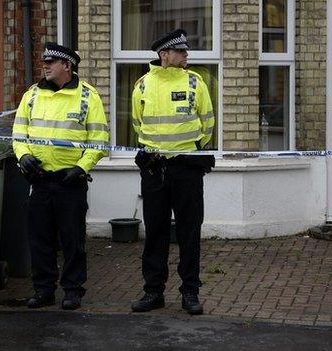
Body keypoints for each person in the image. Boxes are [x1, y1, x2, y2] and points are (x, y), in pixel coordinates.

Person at [12, 42, 109, 310]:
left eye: (51, 62)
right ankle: (43, 290)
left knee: (73, 241)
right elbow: (19, 136)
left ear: (67, 66)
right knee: (39, 240)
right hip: (40, 181)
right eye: (44, 62)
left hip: (70, 184)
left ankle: (72, 291)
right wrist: (24, 157)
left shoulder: (89, 97)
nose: (44, 66)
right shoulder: (31, 96)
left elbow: (99, 140)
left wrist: (81, 167)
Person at [130, 29, 215, 315]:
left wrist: (188, 150)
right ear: (164, 55)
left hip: (186, 169)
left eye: (185, 51)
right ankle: (154, 292)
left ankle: (190, 292)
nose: (186, 55)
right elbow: (138, 125)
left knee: (190, 233)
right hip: (155, 170)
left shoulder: (195, 82)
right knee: (155, 233)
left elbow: (208, 123)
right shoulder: (142, 85)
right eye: (180, 51)